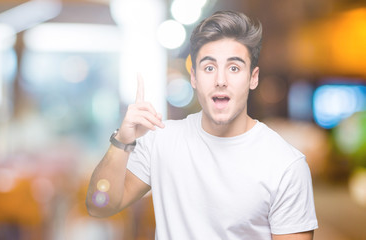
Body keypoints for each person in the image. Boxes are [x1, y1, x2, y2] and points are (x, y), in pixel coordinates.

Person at [86, 10, 318, 240]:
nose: (220, 80)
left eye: (234, 68)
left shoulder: (286, 165)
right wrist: (122, 141)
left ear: (253, 78)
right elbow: (99, 204)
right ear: (194, 78)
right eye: (209, 67)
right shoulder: (162, 141)